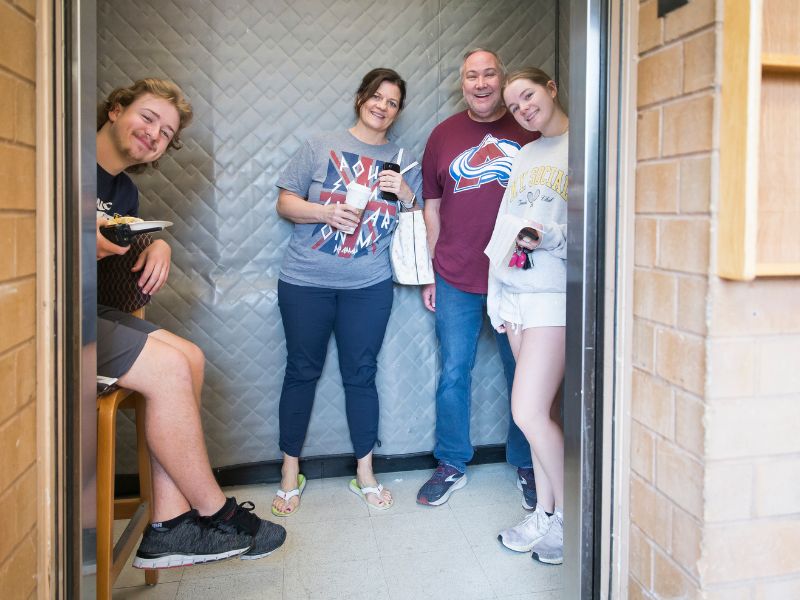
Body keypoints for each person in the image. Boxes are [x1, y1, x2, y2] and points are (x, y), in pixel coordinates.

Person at [95, 78, 286, 568]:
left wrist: (156, 242)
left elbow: (115, 248)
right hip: (50, 316)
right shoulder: (61, 162)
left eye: (165, 131)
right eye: (147, 117)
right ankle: (215, 511)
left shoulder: (124, 190)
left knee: (191, 358)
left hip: (88, 310)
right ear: (116, 110)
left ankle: (169, 526)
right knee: (169, 369)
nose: (154, 133)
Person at [272, 68, 423, 515]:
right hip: (305, 282)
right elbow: (284, 203)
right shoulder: (320, 146)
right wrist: (325, 212)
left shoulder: (401, 159)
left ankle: (365, 474)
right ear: (361, 98)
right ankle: (288, 471)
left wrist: (408, 194)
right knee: (301, 371)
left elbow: (413, 225)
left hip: (368, 286)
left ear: (398, 112)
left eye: (392, 102)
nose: (383, 106)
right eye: (377, 96)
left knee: (362, 374)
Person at [416, 49, 539, 507]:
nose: (481, 82)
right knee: (453, 373)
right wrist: (432, 271)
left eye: (489, 74)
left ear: (501, 78)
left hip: (518, 277)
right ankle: (451, 463)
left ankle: (529, 462)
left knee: (525, 374)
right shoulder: (443, 135)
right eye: (473, 75)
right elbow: (430, 208)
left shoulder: (527, 128)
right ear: (462, 82)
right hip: (454, 275)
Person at [486, 67, 568, 565]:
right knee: (542, 418)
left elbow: (596, 229)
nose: (523, 109)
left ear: (551, 88)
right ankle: (545, 513)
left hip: (552, 297)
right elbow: (502, 227)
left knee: (528, 413)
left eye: (528, 96)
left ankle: (569, 519)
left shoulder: (586, 146)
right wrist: (496, 297)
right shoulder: (527, 154)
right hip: (515, 296)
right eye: (514, 106)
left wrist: (548, 235)